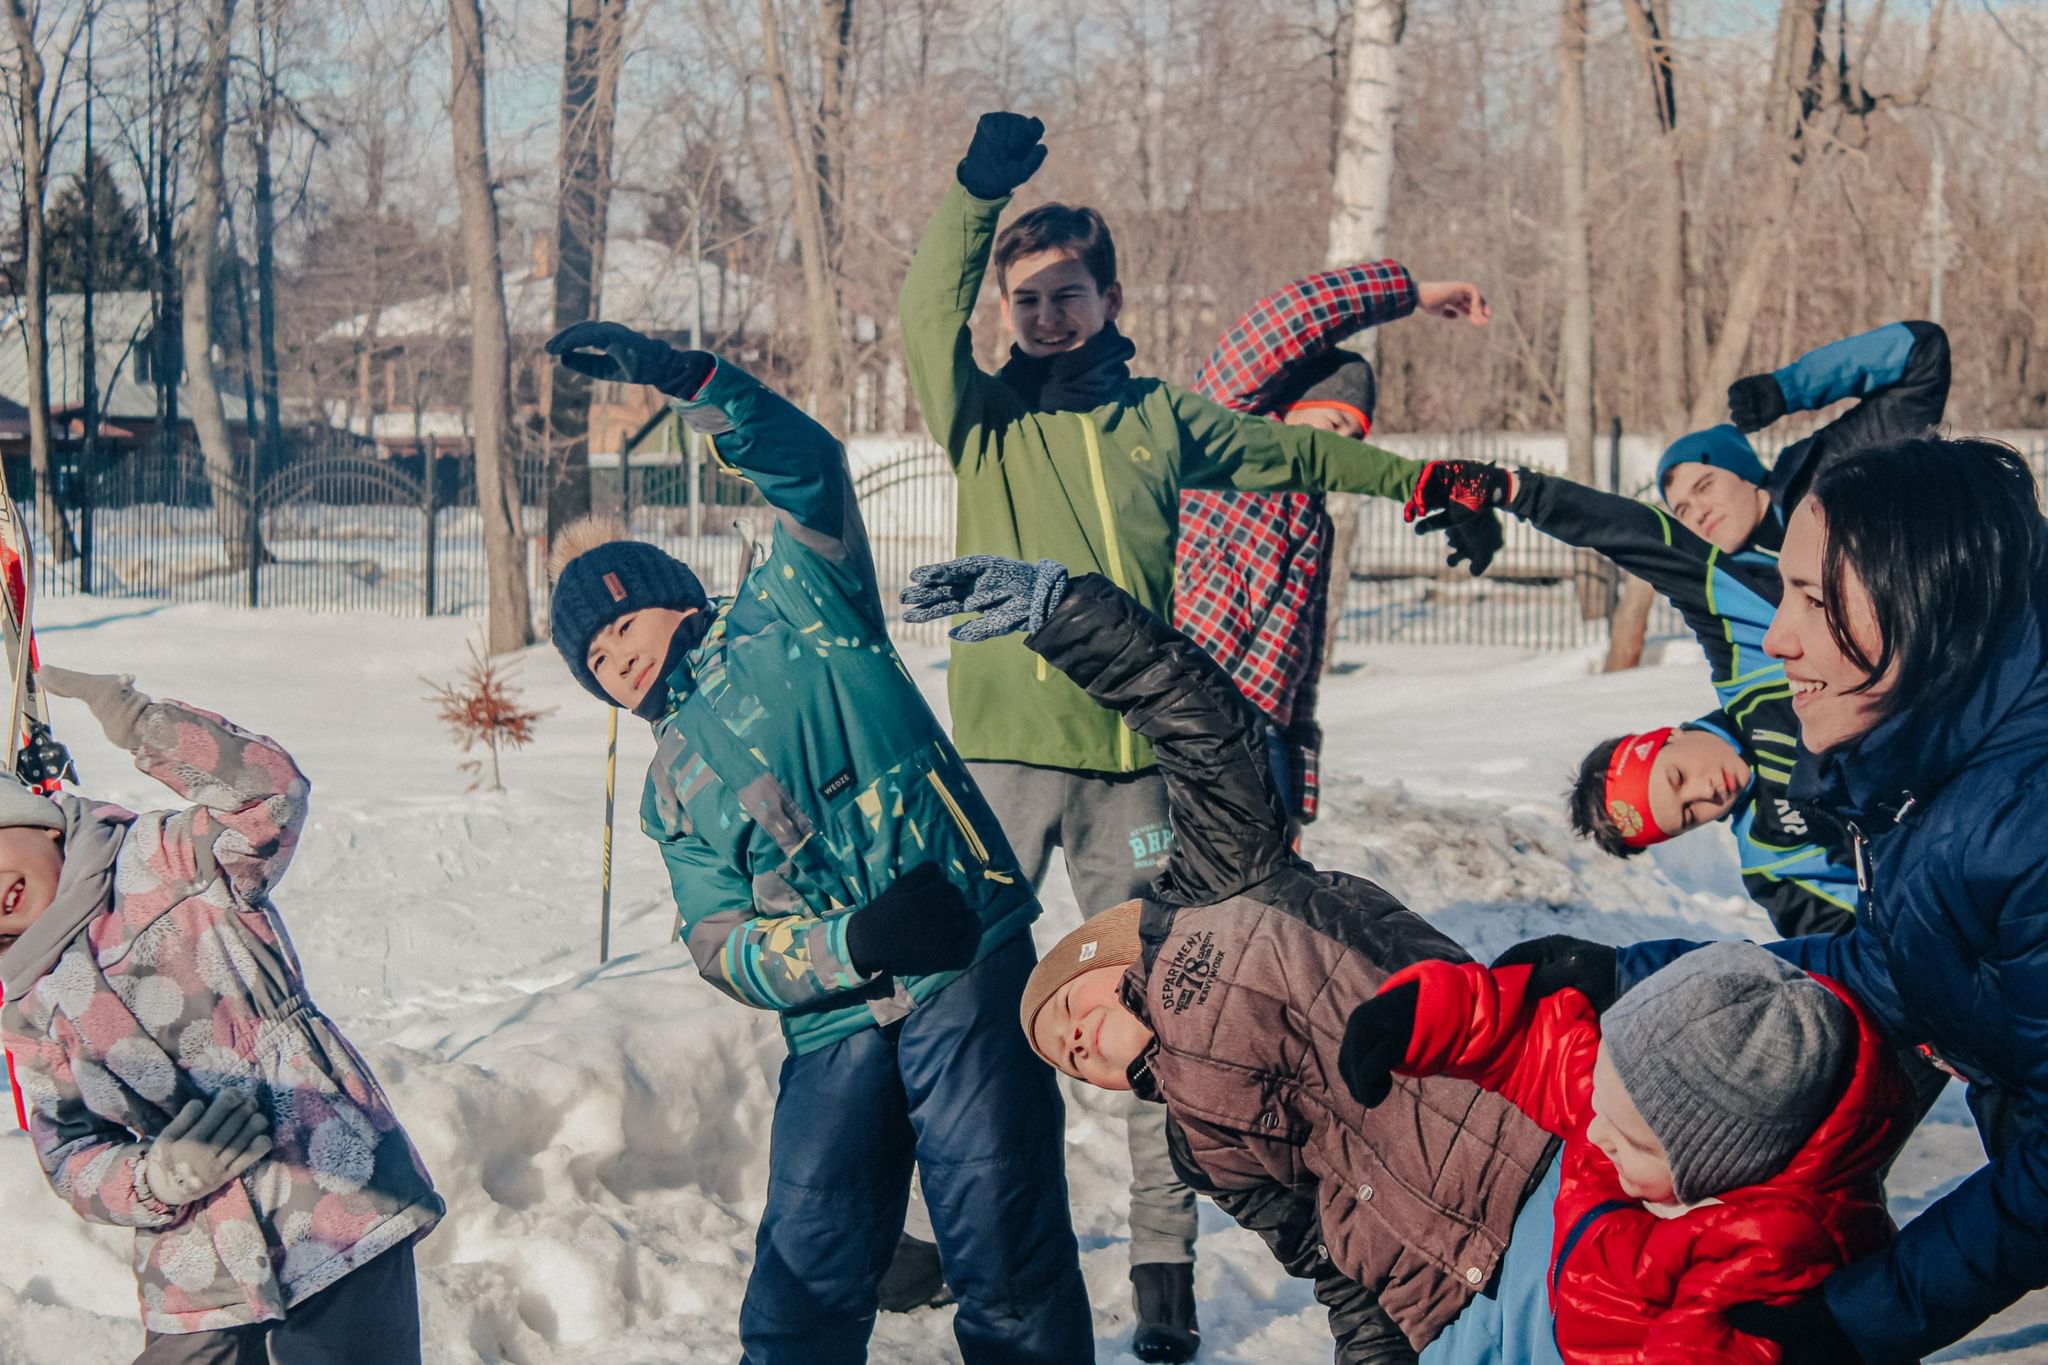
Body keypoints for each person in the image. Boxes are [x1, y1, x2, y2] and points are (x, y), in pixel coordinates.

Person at [899, 109, 1501, 1359]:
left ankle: (1163, 1280)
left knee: (1165, 1011)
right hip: (1007, 755)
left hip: (1134, 771)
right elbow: (922, 316)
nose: (1045, 317)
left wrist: (1416, 481)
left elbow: (1289, 454)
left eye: (1065, 294)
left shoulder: (1157, 420)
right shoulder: (982, 421)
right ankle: (922, 1227)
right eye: (1025, 301)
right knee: (957, 996)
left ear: (1108, 296)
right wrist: (970, 198)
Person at [541, 324, 1092, 1365]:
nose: (610, 659)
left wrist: (691, 383)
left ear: (674, 596)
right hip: (831, 1022)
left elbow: (808, 466)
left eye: (618, 629)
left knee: (1002, 1247)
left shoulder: (801, 601)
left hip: (961, 962)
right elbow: (718, 942)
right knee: (803, 1272)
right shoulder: (669, 790)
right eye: (592, 661)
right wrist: (844, 945)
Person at [903, 554, 1558, 1363]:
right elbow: (1328, 1257)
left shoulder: (1220, 886)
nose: (1072, 1040)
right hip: (1447, 1320)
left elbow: (1201, 729)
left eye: (1069, 1008)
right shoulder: (1197, 1144)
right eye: (1062, 1053)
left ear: (1111, 953)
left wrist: (1064, 612)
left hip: (1534, 1183)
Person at [1497, 436, 2048, 1363]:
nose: (1780, 634)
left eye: (1813, 598)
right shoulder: (1923, 783)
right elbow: (1882, 966)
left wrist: (1862, 1316)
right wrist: (1621, 970)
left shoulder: (2019, 827)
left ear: (1925, 600)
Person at [1402, 318, 1951, 938]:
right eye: (1689, 816)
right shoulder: (1772, 860)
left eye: (1679, 780)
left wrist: (1511, 488)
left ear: (1666, 738)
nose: (1706, 795)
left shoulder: (1757, 629)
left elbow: (1642, 541)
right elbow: (1858, 952)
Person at [0, 666, 443, 1364]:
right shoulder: (28, 1007)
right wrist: (154, 1178)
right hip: (196, 1271)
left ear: (27, 816)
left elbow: (273, 797)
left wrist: (148, 725)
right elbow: (68, 1156)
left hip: (332, 1203)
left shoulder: (163, 857)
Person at [1340, 941, 1910, 1361]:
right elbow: (1539, 1050)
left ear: (1716, 1173)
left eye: (1630, 1139)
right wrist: (1429, 1016)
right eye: (1601, 1104)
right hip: (1553, 1310)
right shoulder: (1635, 1110)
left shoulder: (1771, 1259)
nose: (1593, 1133)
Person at [1177, 262, 1489, 830]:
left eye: (1355, 437)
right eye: (1333, 425)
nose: (1342, 449)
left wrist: (1297, 802)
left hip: (1262, 737)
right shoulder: (1223, 443)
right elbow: (1287, 316)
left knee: (1256, 909)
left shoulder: (1316, 526)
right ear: (1290, 407)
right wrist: (1412, 294)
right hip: (1185, 719)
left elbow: (1305, 669)